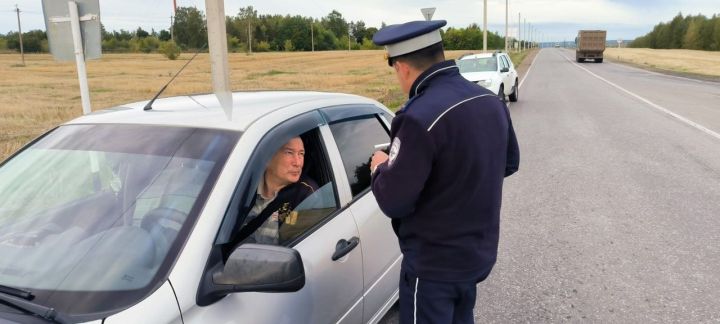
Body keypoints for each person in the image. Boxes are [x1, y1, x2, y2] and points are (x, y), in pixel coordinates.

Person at [369, 20, 520, 324]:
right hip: (476, 255)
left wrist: (380, 169)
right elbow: (508, 163)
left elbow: (394, 201)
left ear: (401, 67)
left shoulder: (416, 118)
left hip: (433, 268)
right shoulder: (489, 100)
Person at [238, 136, 317, 245]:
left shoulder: (307, 194)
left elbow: (297, 250)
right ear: (267, 158)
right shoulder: (243, 186)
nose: (298, 163)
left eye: (301, 154)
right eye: (289, 152)